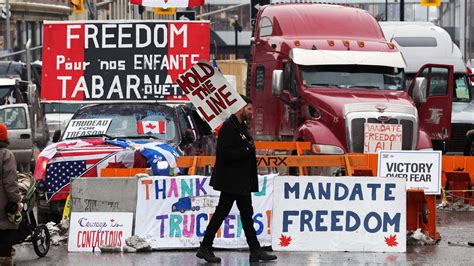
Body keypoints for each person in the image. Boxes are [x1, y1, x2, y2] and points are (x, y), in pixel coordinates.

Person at [196, 95, 277, 263]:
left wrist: (247, 149)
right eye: (249, 109)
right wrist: (247, 150)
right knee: (222, 213)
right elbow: (224, 154)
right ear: (240, 108)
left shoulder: (241, 127)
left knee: (247, 214)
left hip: (241, 180)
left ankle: (255, 250)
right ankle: (205, 247)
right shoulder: (228, 127)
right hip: (231, 181)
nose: (252, 112)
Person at [0, 123, 21, 266]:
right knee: (5, 232)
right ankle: (5, 260)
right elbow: (10, 181)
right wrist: (16, 200)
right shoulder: (6, 155)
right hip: (2, 201)